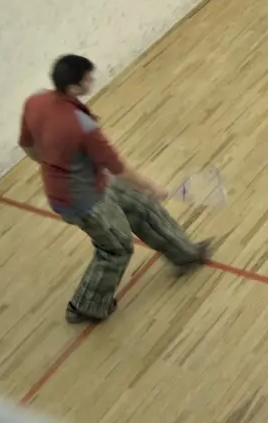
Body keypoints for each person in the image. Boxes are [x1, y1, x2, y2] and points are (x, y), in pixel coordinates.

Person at [18, 54, 212, 324]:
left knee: (141, 207)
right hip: (81, 202)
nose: (92, 81)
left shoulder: (35, 101)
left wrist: (56, 166)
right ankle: (85, 307)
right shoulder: (83, 127)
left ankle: (185, 254)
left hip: (89, 184)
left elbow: (27, 146)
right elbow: (119, 168)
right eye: (88, 79)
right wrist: (152, 185)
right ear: (74, 88)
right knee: (116, 247)